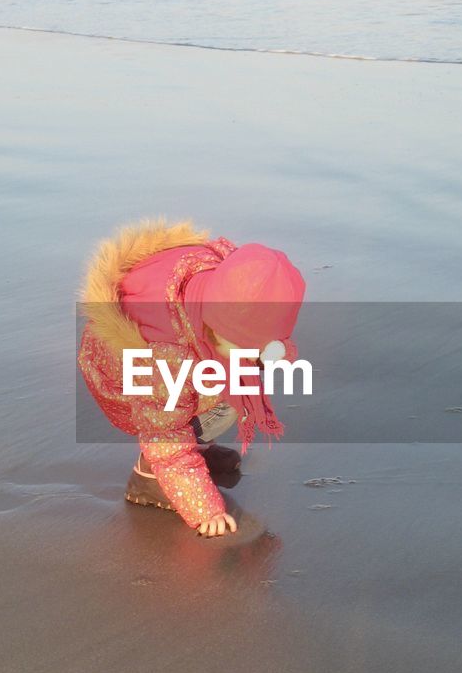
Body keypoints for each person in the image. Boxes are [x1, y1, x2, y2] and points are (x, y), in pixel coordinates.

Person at [78, 220, 305, 537]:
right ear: (216, 325)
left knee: (240, 382)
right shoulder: (165, 357)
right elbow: (163, 434)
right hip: (121, 376)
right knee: (212, 399)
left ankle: (196, 446)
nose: (256, 357)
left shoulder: (227, 287)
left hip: (176, 352)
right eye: (246, 348)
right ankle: (148, 477)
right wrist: (205, 510)